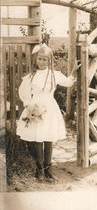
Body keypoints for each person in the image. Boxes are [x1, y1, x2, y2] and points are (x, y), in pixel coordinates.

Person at [16, 43, 80, 182]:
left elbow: (69, 82)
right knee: (38, 138)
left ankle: (48, 168)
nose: (42, 62)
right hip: (35, 108)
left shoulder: (54, 75)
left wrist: (74, 70)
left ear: (50, 61)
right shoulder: (31, 77)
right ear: (36, 59)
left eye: (45, 59)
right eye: (39, 59)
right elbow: (24, 93)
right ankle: (39, 170)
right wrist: (30, 106)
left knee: (48, 138)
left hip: (50, 109)